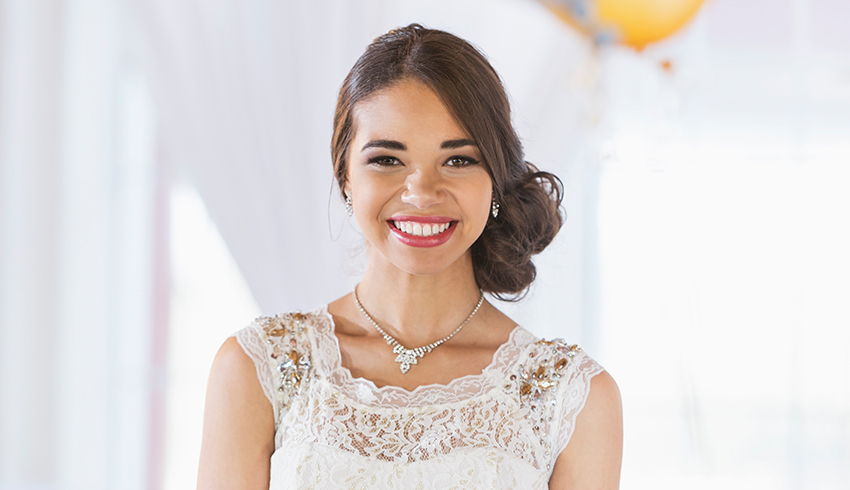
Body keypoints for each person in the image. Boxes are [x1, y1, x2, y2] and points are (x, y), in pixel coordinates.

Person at [197, 24, 622, 490]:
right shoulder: (261, 367)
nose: (421, 193)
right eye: (387, 159)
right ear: (345, 177)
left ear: (495, 180)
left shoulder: (570, 396)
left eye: (458, 160)